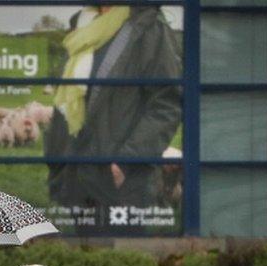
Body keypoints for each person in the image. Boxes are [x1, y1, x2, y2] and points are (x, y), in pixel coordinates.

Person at [45, 5, 182, 232]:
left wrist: (125, 163)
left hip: (119, 179)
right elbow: (69, 101)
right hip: (76, 172)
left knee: (122, 255)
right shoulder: (82, 26)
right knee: (80, 254)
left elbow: (166, 103)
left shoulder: (148, 28)